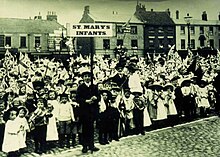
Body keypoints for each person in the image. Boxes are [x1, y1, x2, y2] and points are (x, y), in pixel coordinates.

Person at [76, 67, 101, 153]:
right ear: (83, 78)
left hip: (92, 111)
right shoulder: (80, 87)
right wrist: (86, 101)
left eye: (88, 76)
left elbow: (99, 97)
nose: (87, 78)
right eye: (85, 76)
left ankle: (91, 145)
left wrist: (95, 97)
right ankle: (85, 146)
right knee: (85, 129)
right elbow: (78, 98)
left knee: (91, 128)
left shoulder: (94, 87)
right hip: (84, 111)